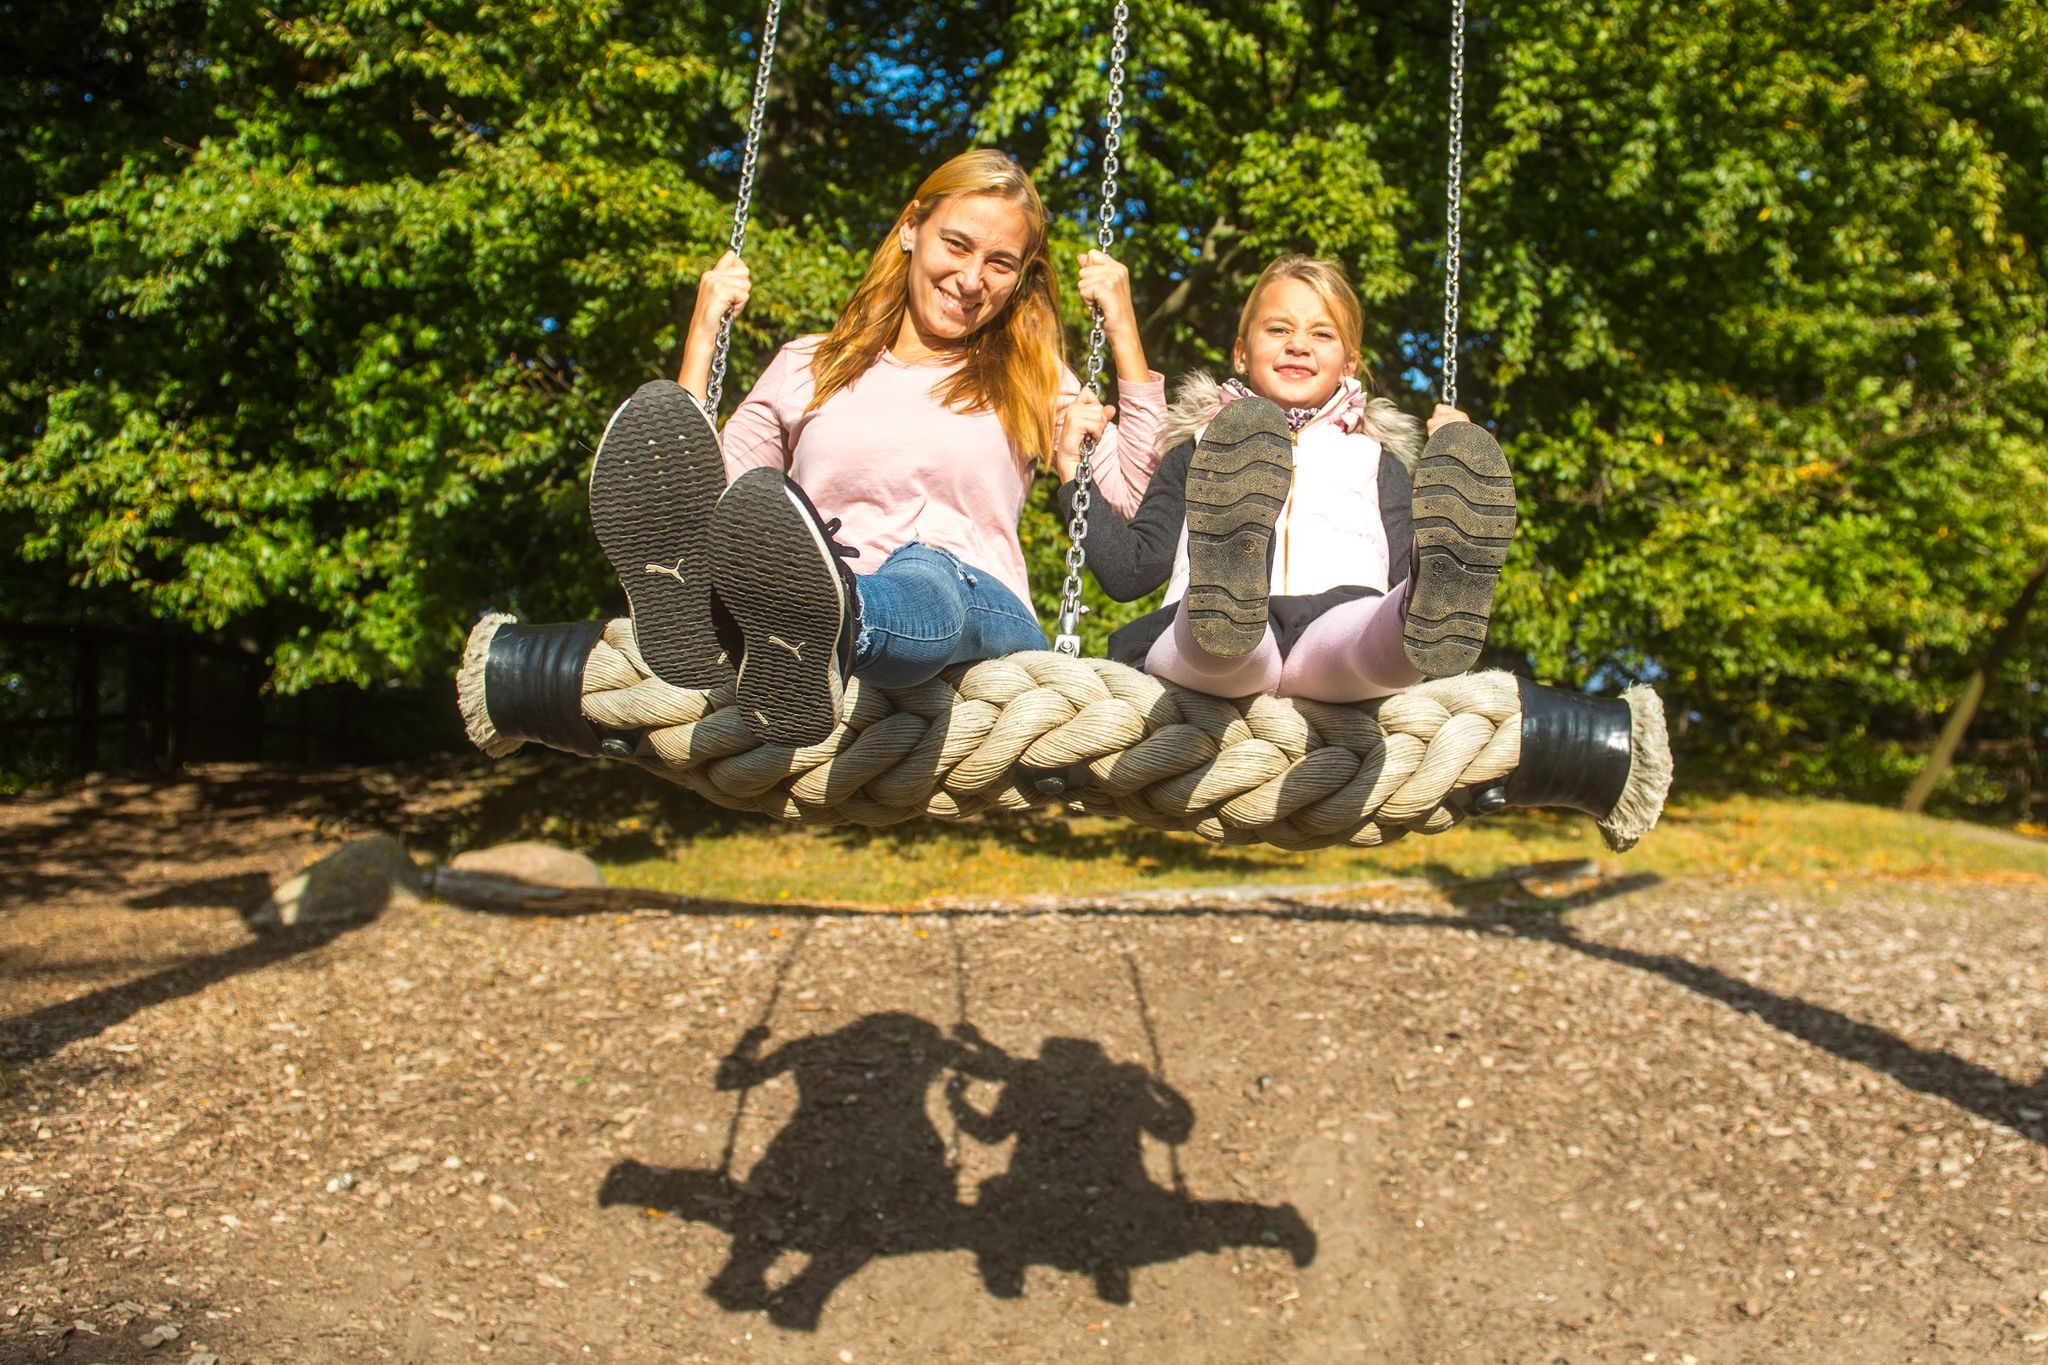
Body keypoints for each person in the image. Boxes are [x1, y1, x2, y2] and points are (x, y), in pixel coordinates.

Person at [586, 149, 1164, 745]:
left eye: (1000, 263)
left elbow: (1140, 510)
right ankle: (771, 627)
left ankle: (832, 623)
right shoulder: (806, 365)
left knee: (926, 568)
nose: (971, 280)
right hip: (825, 616)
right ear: (911, 228)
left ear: (1021, 276)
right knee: (758, 526)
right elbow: (701, 499)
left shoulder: (1030, 376)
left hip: (980, 616)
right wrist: (703, 334)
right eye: (957, 245)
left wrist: (1121, 328)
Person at [1060, 254, 1516, 701]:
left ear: (1350, 365)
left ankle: (1418, 628)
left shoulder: (1377, 460)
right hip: (1203, 639)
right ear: (1241, 353)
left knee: (1372, 637)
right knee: (1217, 639)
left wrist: (1442, 522)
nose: (1298, 344)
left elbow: (1400, 574)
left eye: (1321, 333)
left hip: (1337, 623)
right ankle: (1226, 599)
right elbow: (1133, 571)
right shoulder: (1201, 446)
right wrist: (1073, 475)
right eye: (1278, 329)